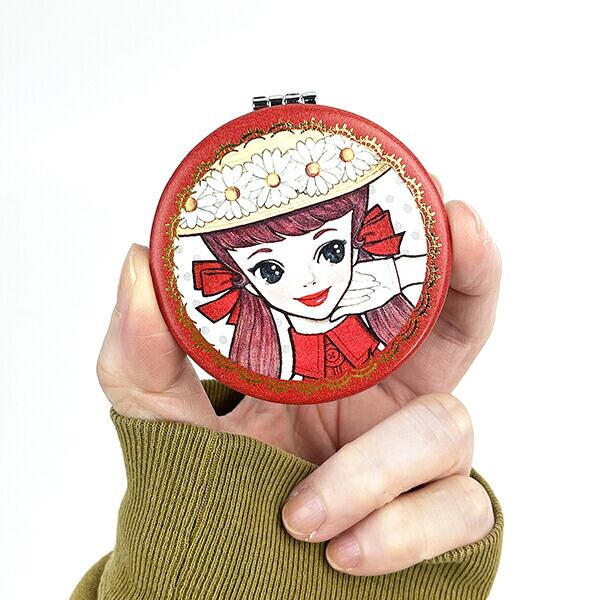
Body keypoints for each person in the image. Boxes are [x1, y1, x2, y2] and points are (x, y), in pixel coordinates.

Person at [71, 185, 504, 599]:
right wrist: (208, 543)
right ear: (241, 277)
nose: (310, 281)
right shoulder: (266, 343)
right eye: (270, 270)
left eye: (331, 251)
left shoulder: (379, 302)